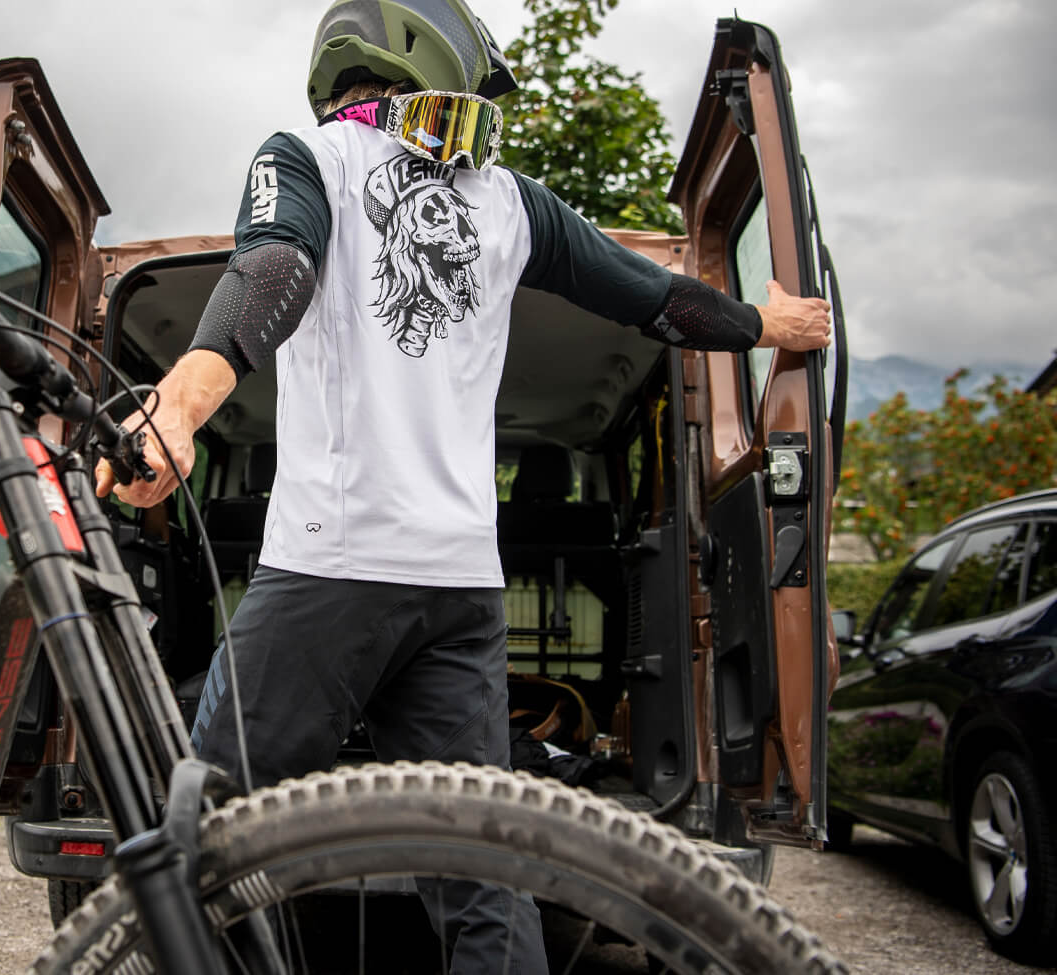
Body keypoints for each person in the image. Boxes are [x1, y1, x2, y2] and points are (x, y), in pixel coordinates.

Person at [96, 1, 833, 970]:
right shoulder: (502, 198)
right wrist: (765, 326)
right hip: (458, 590)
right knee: (482, 869)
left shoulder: (310, 159)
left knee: (208, 843)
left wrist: (181, 407)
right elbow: (656, 301)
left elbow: (272, 266)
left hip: (331, 572)